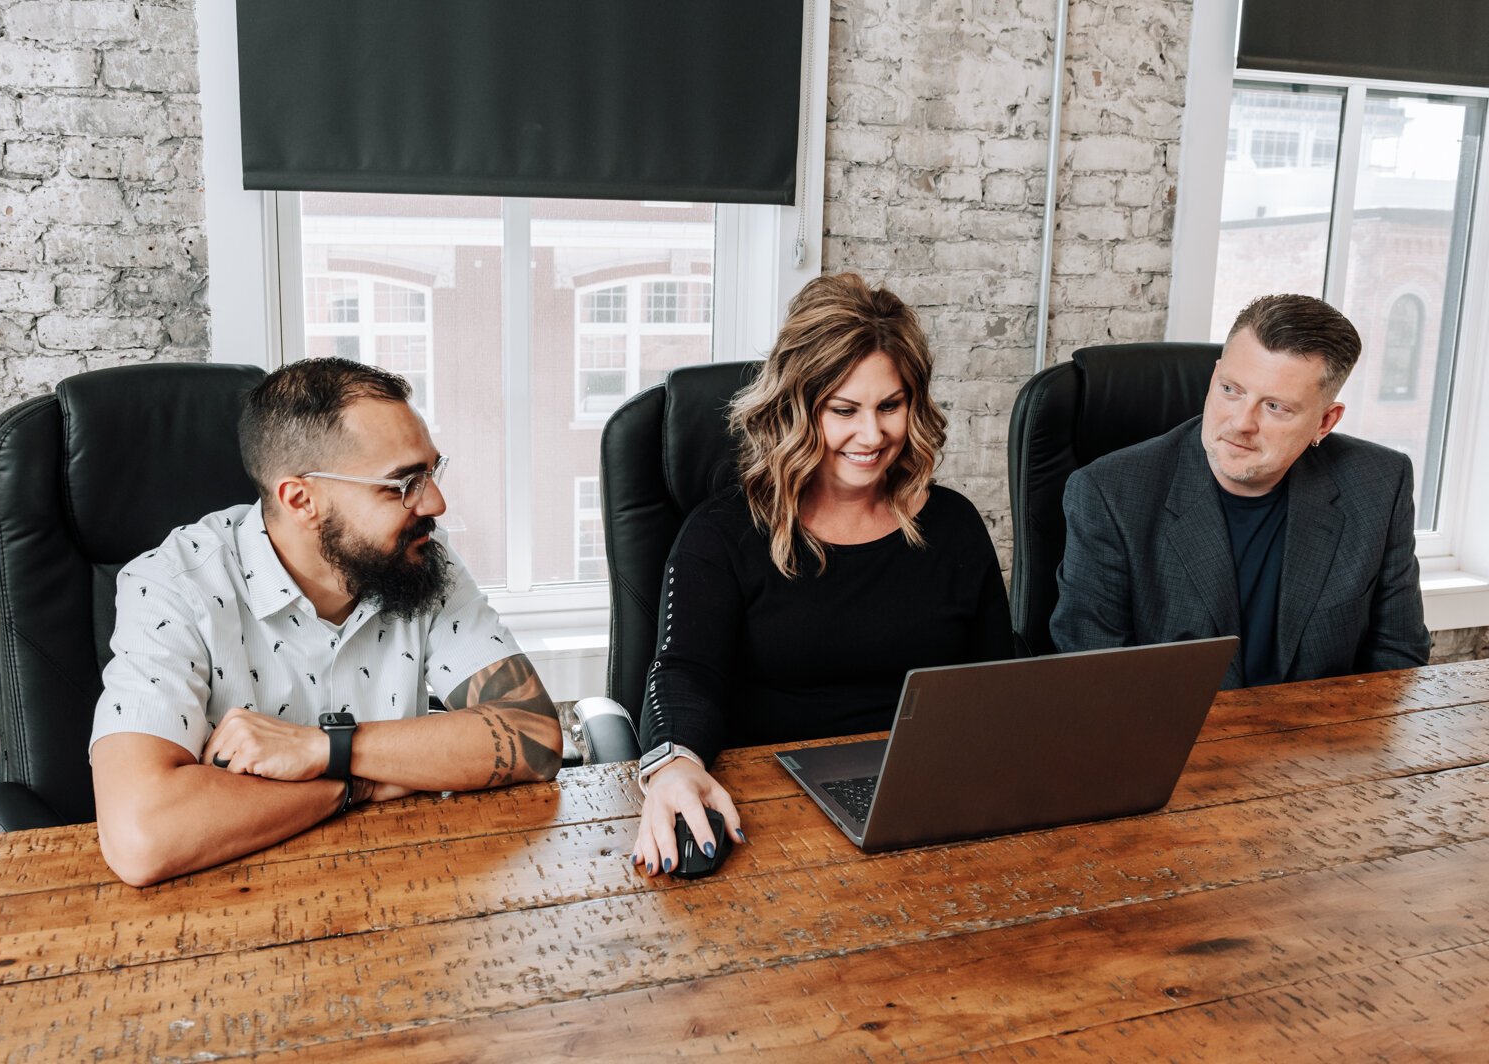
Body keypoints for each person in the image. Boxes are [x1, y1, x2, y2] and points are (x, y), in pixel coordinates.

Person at [90, 358, 563, 886]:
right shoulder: (173, 586)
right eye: (402, 483)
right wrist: (360, 781)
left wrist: (326, 748)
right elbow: (142, 838)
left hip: (407, 885)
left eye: (431, 471)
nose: (435, 502)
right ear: (302, 499)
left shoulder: (420, 556)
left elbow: (535, 735)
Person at [629, 272, 1014, 876]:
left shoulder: (956, 526)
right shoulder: (721, 534)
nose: (872, 434)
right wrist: (676, 765)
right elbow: (682, 674)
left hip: (929, 812)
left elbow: (996, 686)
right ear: (796, 406)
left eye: (891, 405)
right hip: (772, 819)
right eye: (844, 410)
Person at [1051, 293, 1429, 688]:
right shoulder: (1109, 494)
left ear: (1325, 422)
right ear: (1215, 376)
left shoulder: (1380, 483)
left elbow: (1398, 661)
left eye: (1275, 407)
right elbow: (1095, 679)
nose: (1241, 423)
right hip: (1176, 742)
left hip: (1326, 738)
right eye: (1231, 389)